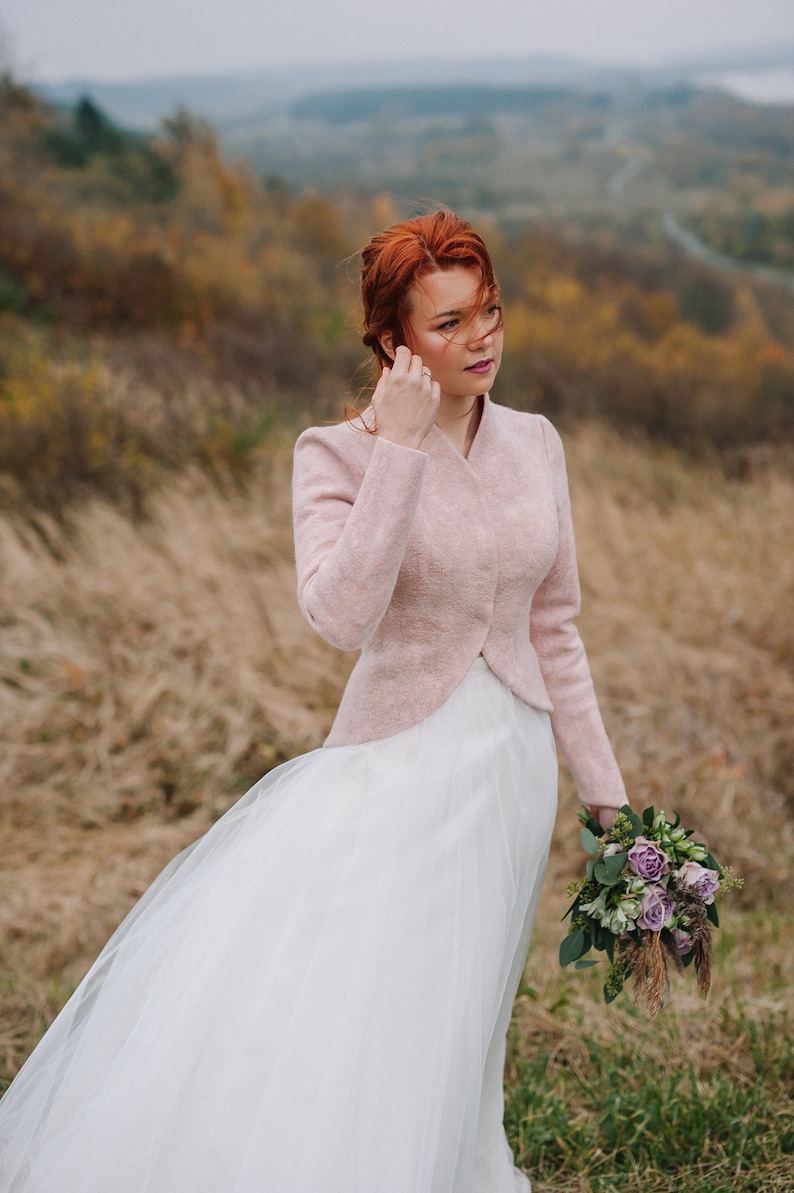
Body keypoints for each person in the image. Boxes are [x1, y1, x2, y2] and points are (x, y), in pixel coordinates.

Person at [0, 209, 626, 1192]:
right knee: (369, 998)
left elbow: (555, 628)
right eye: (449, 323)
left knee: (468, 1006)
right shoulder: (330, 455)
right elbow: (339, 614)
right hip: (395, 770)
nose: (482, 340)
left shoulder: (535, 443)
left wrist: (606, 796)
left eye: (490, 312)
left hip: (513, 769)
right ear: (392, 343)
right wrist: (400, 450)